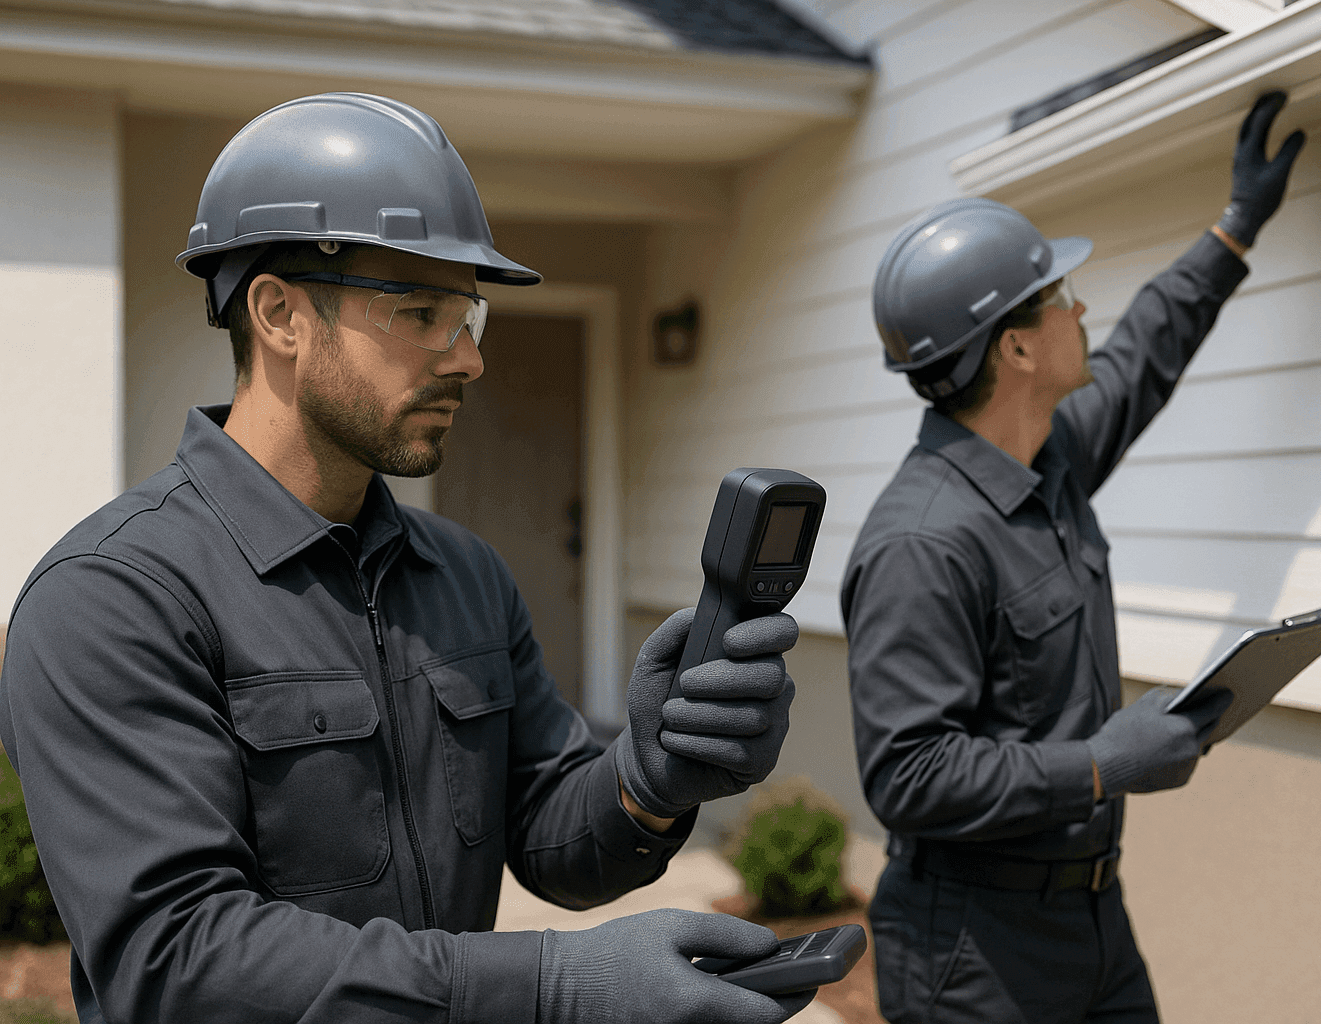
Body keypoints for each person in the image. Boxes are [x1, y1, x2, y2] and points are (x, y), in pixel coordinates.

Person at [0, 93, 815, 1024]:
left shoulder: (464, 573)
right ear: (278, 314)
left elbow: (550, 839)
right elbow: (182, 962)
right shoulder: (111, 599)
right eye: (421, 310)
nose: (467, 359)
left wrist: (650, 780)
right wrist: (550, 986)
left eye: (467, 317)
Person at [841, 92, 1306, 1023]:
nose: (1080, 304)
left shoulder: (1046, 458)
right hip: (976, 952)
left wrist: (1235, 230)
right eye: (1059, 296)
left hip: (1095, 919)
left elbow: (1142, 354)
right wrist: (1097, 764)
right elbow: (909, 776)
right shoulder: (921, 543)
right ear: (1016, 345)